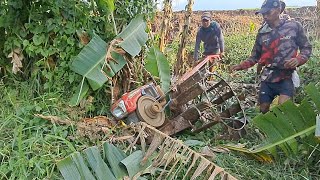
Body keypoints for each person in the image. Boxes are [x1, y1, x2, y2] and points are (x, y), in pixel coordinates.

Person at [231, 0, 312, 114]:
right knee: (263, 109)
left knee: (285, 108)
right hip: (268, 77)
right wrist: (240, 66)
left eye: (267, 13)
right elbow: (255, 56)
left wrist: (298, 60)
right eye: (263, 14)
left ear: (278, 10)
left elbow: (306, 48)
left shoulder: (294, 26)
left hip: (286, 76)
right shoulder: (263, 32)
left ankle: (286, 129)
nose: (265, 16)